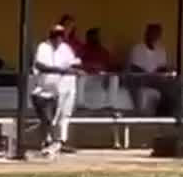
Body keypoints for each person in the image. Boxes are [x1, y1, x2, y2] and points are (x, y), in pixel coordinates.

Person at [31, 20, 80, 156]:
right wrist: (61, 70)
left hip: (63, 88)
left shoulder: (65, 48)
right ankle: (47, 143)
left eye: (61, 35)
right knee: (48, 119)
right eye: (56, 35)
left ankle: (60, 142)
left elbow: (74, 63)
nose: (59, 37)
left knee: (64, 116)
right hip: (43, 90)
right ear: (51, 35)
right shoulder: (43, 47)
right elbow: (40, 65)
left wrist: (72, 69)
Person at [127, 23, 178, 115]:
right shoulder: (138, 48)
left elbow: (163, 67)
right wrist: (151, 75)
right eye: (152, 33)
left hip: (157, 79)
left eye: (157, 33)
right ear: (146, 33)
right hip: (140, 78)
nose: (154, 36)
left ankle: (167, 111)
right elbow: (134, 68)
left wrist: (165, 71)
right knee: (165, 85)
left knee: (175, 84)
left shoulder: (161, 50)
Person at [78, 26, 121, 108]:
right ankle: (80, 104)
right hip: (87, 76)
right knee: (81, 76)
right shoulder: (83, 49)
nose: (96, 38)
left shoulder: (103, 50)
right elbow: (75, 64)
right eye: (93, 36)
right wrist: (89, 66)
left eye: (97, 36)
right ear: (88, 37)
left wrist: (114, 67)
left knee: (115, 77)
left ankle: (110, 104)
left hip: (101, 76)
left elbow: (112, 65)